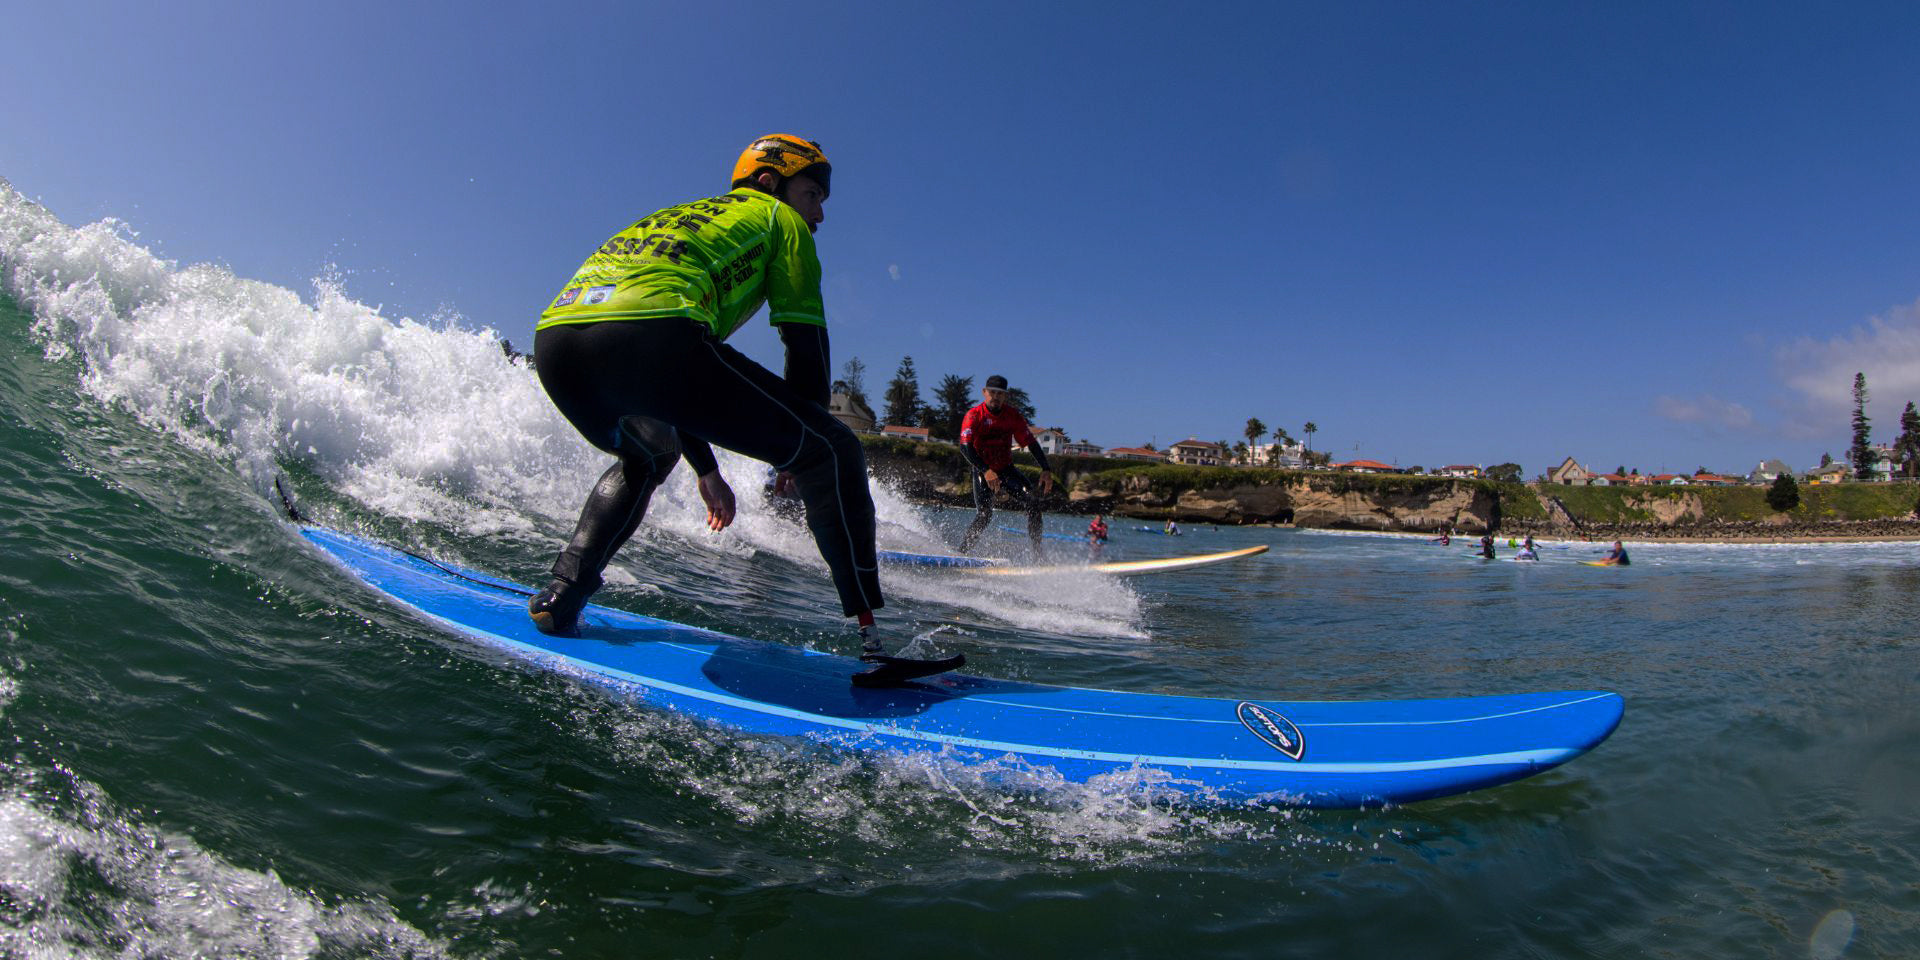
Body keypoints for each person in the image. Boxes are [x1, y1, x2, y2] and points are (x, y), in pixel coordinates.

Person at [528, 134, 894, 658]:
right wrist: (799, 449)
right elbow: (804, 344)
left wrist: (706, 471)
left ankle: (562, 593)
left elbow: (678, 387)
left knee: (647, 455)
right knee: (834, 448)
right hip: (651, 334)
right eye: (813, 195)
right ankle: (873, 640)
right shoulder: (779, 221)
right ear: (771, 183)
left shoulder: (679, 215)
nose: (818, 214)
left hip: (558, 341)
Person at [957, 376, 1056, 555]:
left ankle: (1038, 556)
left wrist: (1046, 469)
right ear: (984, 393)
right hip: (983, 470)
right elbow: (965, 447)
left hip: (1006, 469)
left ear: (1005, 396)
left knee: (1033, 502)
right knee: (984, 515)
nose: (995, 396)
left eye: (1000, 394)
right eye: (992, 392)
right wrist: (986, 470)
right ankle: (961, 554)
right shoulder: (974, 415)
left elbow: (1031, 443)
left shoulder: (1012, 416)